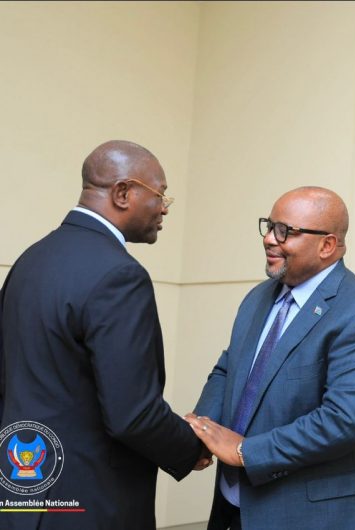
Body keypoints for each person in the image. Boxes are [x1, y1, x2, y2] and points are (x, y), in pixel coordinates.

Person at [0, 140, 203, 530]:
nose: (163, 208)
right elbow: (133, 415)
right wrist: (191, 448)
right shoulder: (119, 275)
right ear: (123, 193)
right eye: (161, 195)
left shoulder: (30, 260)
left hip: (22, 497)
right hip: (89, 505)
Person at [185, 186, 355, 530]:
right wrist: (202, 431)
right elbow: (229, 368)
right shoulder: (257, 298)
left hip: (314, 516)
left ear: (327, 245)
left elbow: (345, 421)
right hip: (235, 507)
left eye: (285, 231)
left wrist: (245, 452)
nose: (269, 238)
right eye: (270, 226)